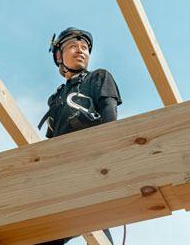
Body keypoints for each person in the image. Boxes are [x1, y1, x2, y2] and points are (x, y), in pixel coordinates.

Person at [37, 27, 122, 245]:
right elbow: (50, 141)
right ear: (59, 56)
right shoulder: (56, 98)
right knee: (48, 232)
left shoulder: (98, 78)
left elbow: (110, 114)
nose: (80, 51)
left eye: (84, 47)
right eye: (73, 46)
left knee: (95, 217)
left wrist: (109, 156)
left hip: (92, 159)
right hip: (62, 169)